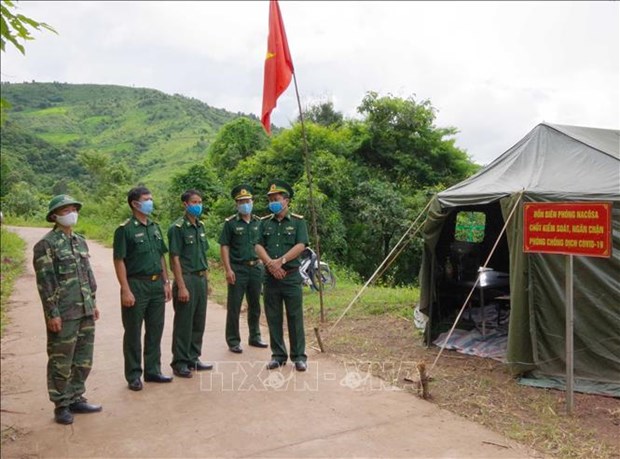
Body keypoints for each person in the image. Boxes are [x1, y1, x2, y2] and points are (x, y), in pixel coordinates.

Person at [33, 195, 102, 425]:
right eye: (65, 210)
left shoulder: (80, 241)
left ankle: (76, 397)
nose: (71, 213)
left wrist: (93, 303)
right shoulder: (46, 245)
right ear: (54, 216)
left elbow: (88, 276)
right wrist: (52, 314)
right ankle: (61, 404)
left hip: (85, 310)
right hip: (63, 313)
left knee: (83, 358)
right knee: (61, 360)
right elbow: (46, 283)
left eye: (73, 208)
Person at [113, 186, 173, 391]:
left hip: (157, 284)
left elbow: (160, 256)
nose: (151, 202)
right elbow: (119, 260)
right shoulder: (125, 229)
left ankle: (153, 370)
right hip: (136, 285)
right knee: (133, 332)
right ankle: (133, 375)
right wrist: (125, 289)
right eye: (147, 199)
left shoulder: (155, 227)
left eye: (151, 198)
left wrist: (167, 282)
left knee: (155, 329)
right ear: (135, 204)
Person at [255, 180, 309, 371]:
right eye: (270, 199)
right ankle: (278, 355)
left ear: (286, 200)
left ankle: (299, 357)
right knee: (273, 316)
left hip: (291, 276)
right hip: (270, 277)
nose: (272, 202)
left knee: (295, 316)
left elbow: (301, 245)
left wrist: (281, 261)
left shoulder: (298, 221)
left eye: (276, 199)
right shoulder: (263, 223)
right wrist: (271, 263)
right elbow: (258, 245)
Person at [167, 189, 213, 378]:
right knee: (184, 323)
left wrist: (207, 280)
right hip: (186, 278)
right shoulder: (177, 228)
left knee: (198, 321)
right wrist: (181, 285)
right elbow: (174, 259)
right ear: (185, 204)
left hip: (200, 278)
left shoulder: (200, 226)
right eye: (194, 202)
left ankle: (194, 357)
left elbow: (204, 255)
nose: (198, 205)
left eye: (200, 202)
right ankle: (180, 362)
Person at [219, 184, 268, 354]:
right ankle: (233, 340)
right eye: (241, 201)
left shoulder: (259, 223)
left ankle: (255, 336)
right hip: (238, 269)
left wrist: (264, 262)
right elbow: (224, 246)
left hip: (256, 269)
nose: (244, 204)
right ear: (236, 204)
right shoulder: (230, 224)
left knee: (255, 304)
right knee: (234, 305)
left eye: (247, 201)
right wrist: (228, 269)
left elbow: (264, 244)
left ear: (252, 202)